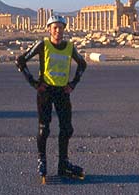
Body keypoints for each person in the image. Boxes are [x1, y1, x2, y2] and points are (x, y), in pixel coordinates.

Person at [15, 15, 87, 183]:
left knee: (67, 129)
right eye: (54, 27)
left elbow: (82, 64)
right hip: (45, 91)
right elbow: (20, 61)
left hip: (62, 92)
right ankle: (42, 160)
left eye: (61, 27)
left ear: (64, 29)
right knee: (44, 128)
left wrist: (73, 84)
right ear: (49, 29)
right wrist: (33, 83)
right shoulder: (43, 44)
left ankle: (63, 163)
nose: (58, 30)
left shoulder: (69, 47)